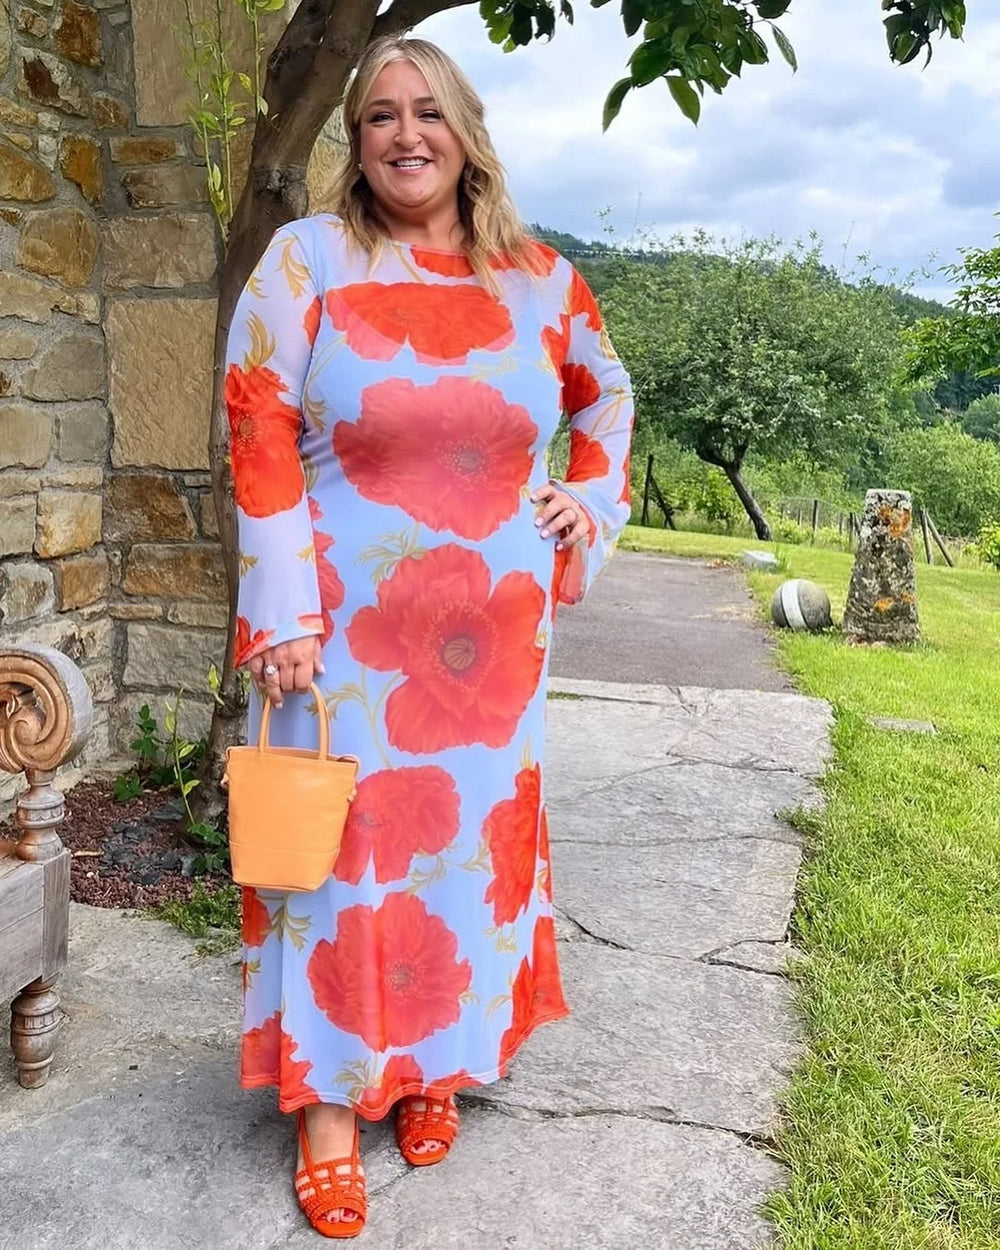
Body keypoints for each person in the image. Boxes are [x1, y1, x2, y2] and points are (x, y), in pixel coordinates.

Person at [225, 34, 633, 1239]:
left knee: (456, 859)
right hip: (338, 637)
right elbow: (257, 421)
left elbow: (605, 393)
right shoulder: (305, 259)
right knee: (342, 861)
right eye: (379, 117)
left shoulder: (542, 279)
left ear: (466, 133)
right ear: (355, 144)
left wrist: (589, 505)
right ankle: (332, 1113)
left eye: (428, 113)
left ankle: (429, 1068)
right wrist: (281, 611)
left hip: (491, 649)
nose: (406, 135)